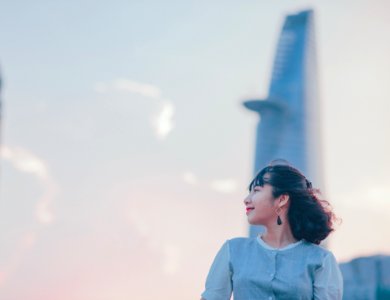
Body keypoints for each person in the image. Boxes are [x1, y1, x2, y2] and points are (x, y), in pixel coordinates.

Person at [200, 162, 343, 300]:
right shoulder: (233, 250)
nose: (246, 199)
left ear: (281, 199)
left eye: (256, 191)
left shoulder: (321, 260)